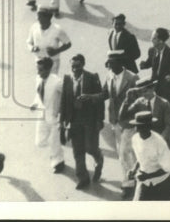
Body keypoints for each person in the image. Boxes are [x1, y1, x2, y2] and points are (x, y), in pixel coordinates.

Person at [60, 53, 105, 190]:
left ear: (83, 65)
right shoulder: (67, 79)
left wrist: (100, 119)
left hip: (89, 120)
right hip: (74, 121)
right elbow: (64, 101)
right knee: (77, 151)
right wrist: (62, 122)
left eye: (77, 66)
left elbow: (100, 100)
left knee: (90, 148)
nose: (74, 69)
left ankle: (98, 157)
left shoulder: (92, 78)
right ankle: (83, 178)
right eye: (72, 66)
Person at [101, 50, 139, 198]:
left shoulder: (132, 78)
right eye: (109, 64)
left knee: (124, 153)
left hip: (130, 122)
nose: (110, 66)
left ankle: (128, 184)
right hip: (115, 120)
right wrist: (90, 98)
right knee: (128, 152)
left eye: (112, 64)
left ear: (121, 63)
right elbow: (105, 94)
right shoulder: (109, 75)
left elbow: (141, 98)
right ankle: (136, 178)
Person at [129, 111, 170, 201]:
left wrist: (148, 176)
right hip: (145, 183)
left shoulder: (159, 142)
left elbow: (168, 169)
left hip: (161, 184)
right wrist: (133, 170)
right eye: (138, 126)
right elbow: (140, 158)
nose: (140, 129)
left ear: (150, 127)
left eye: (144, 126)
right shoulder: (135, 139)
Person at [30, 56, 66, 174]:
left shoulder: (57, 81)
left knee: (54, 141)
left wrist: (61, 112)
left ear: (48, 69)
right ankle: (55, 153)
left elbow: (67, 94)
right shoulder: (38, 79)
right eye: (37, 69)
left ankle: (58, 162)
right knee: (40, 141)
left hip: (54, 116)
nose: (38, 72)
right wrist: (35, 104)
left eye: (40, 70)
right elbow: (38, 94)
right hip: (42, 114)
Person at [120, 78, 170, 149]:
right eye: (140, 92)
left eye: (145, 91)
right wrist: (127, 99)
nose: (143, 94)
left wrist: (159, 141)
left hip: (162, 143)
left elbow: (169, 126)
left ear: (152, 88)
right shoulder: (139, 102)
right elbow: (123, 117)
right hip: (145, 144)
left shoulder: (164, 103)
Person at [139, 28, 170, 107]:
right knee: (148, 104)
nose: (151, 39)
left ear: (160, 41)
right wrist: (144, 65)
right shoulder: (152, 50)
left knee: (163, 108)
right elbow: (150, 63)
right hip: (154, 83)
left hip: (166, 86)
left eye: (154, 38)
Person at [26, 7, 72, 72]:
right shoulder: (34, 27)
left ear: (48, 18)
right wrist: (32, 48)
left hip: (53, 61)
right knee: (40, 81)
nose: (38, 19)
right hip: (39, 61)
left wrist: (56, 51)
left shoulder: (57, 29)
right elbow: (29, 42)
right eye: (38, 17)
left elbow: (68, 44)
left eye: (40, 17)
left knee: (52, 81)